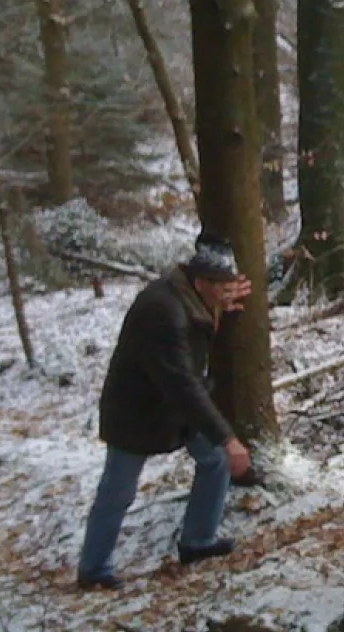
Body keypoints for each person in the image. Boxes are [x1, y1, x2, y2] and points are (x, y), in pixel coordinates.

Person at [77, 233, 255, 591]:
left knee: (215, 461)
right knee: (118, 491)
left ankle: (197, 542)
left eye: (231, 286)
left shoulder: (194, 298)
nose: (227, 293)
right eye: (222, 287)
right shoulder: (162, 310)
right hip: (138, 412)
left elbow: (195, 355)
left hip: (175, 406)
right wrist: (228, 437)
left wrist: (226, 317)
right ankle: (93, 569)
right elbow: (182, 383)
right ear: (202, 282)